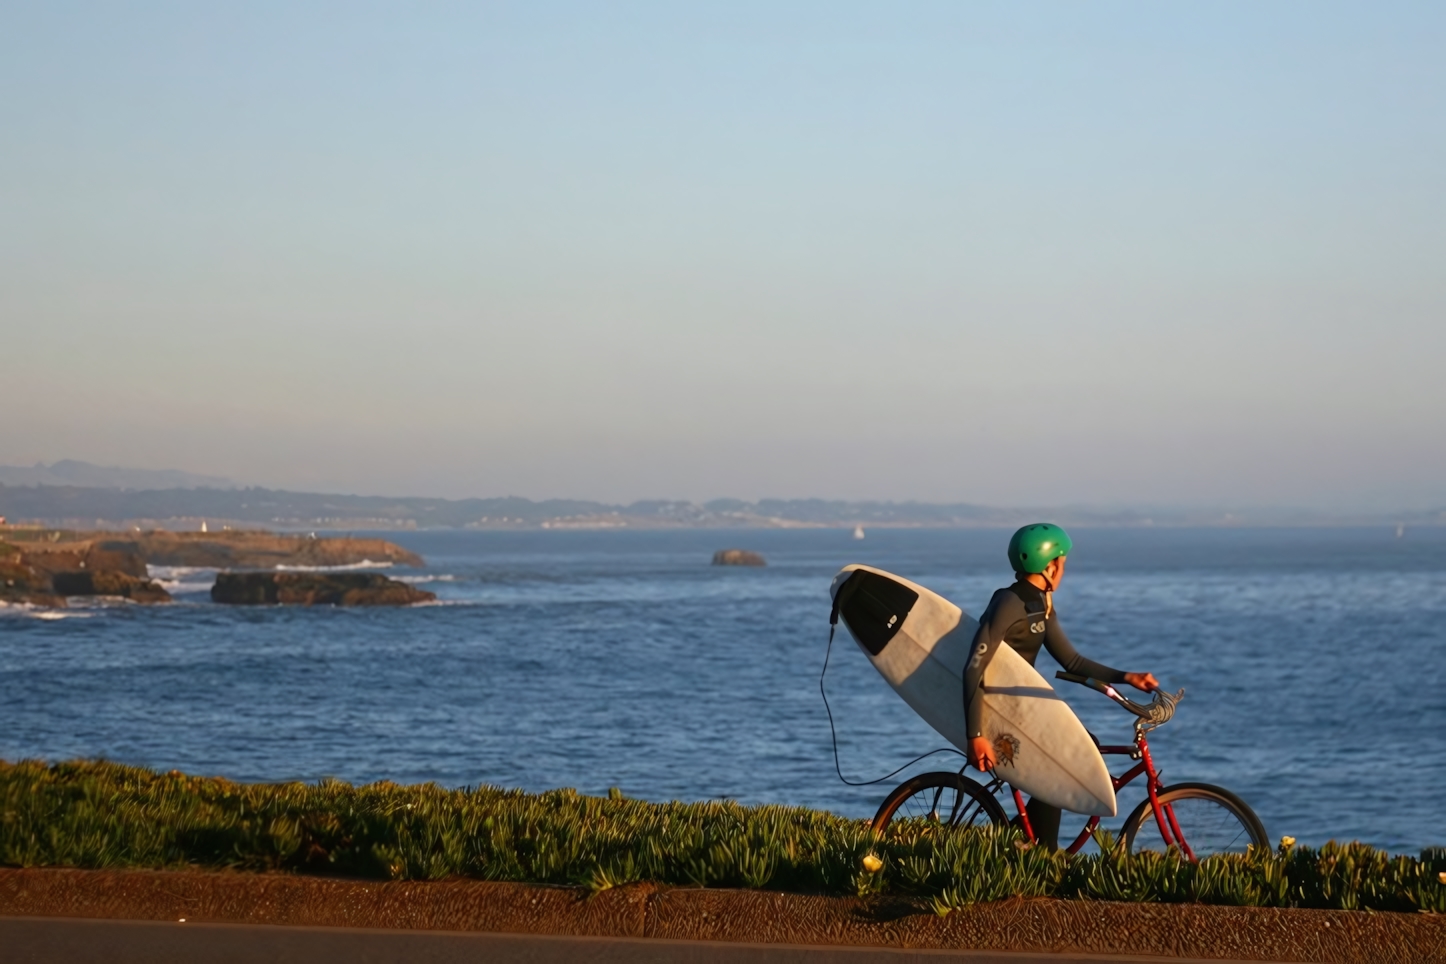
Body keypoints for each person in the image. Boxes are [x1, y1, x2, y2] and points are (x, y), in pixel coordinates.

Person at [962, 523, 1159, 848]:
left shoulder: (1040, 604)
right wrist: (975, 736)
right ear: (1050, 565)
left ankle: (1020, 842)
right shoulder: (1008, 603)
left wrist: (1127, 676)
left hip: (1022, 708)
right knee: (1061, 763)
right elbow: (973, 667)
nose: (1064, 569)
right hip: (997, 711)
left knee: (1084, 745)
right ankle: (1046, 853)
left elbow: (1072, 662)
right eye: (1063, 562)